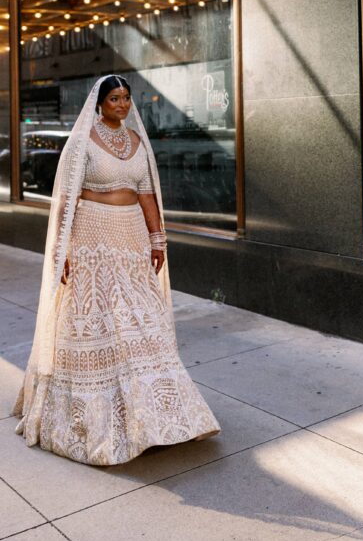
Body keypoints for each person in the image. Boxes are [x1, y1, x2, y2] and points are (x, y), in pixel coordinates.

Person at [13, 75, 220, 465]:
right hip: (91, 237)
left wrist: (158, 240)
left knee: (145, 324)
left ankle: (161, 417)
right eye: (114, 98)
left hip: (131, 238)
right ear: (100, 103)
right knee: (104, 322)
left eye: (126, 98)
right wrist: (62, 249)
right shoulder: (81, 143)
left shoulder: (138, 143)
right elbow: (65, 200)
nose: (122, 105)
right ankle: (103, 421)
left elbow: (146, 194)